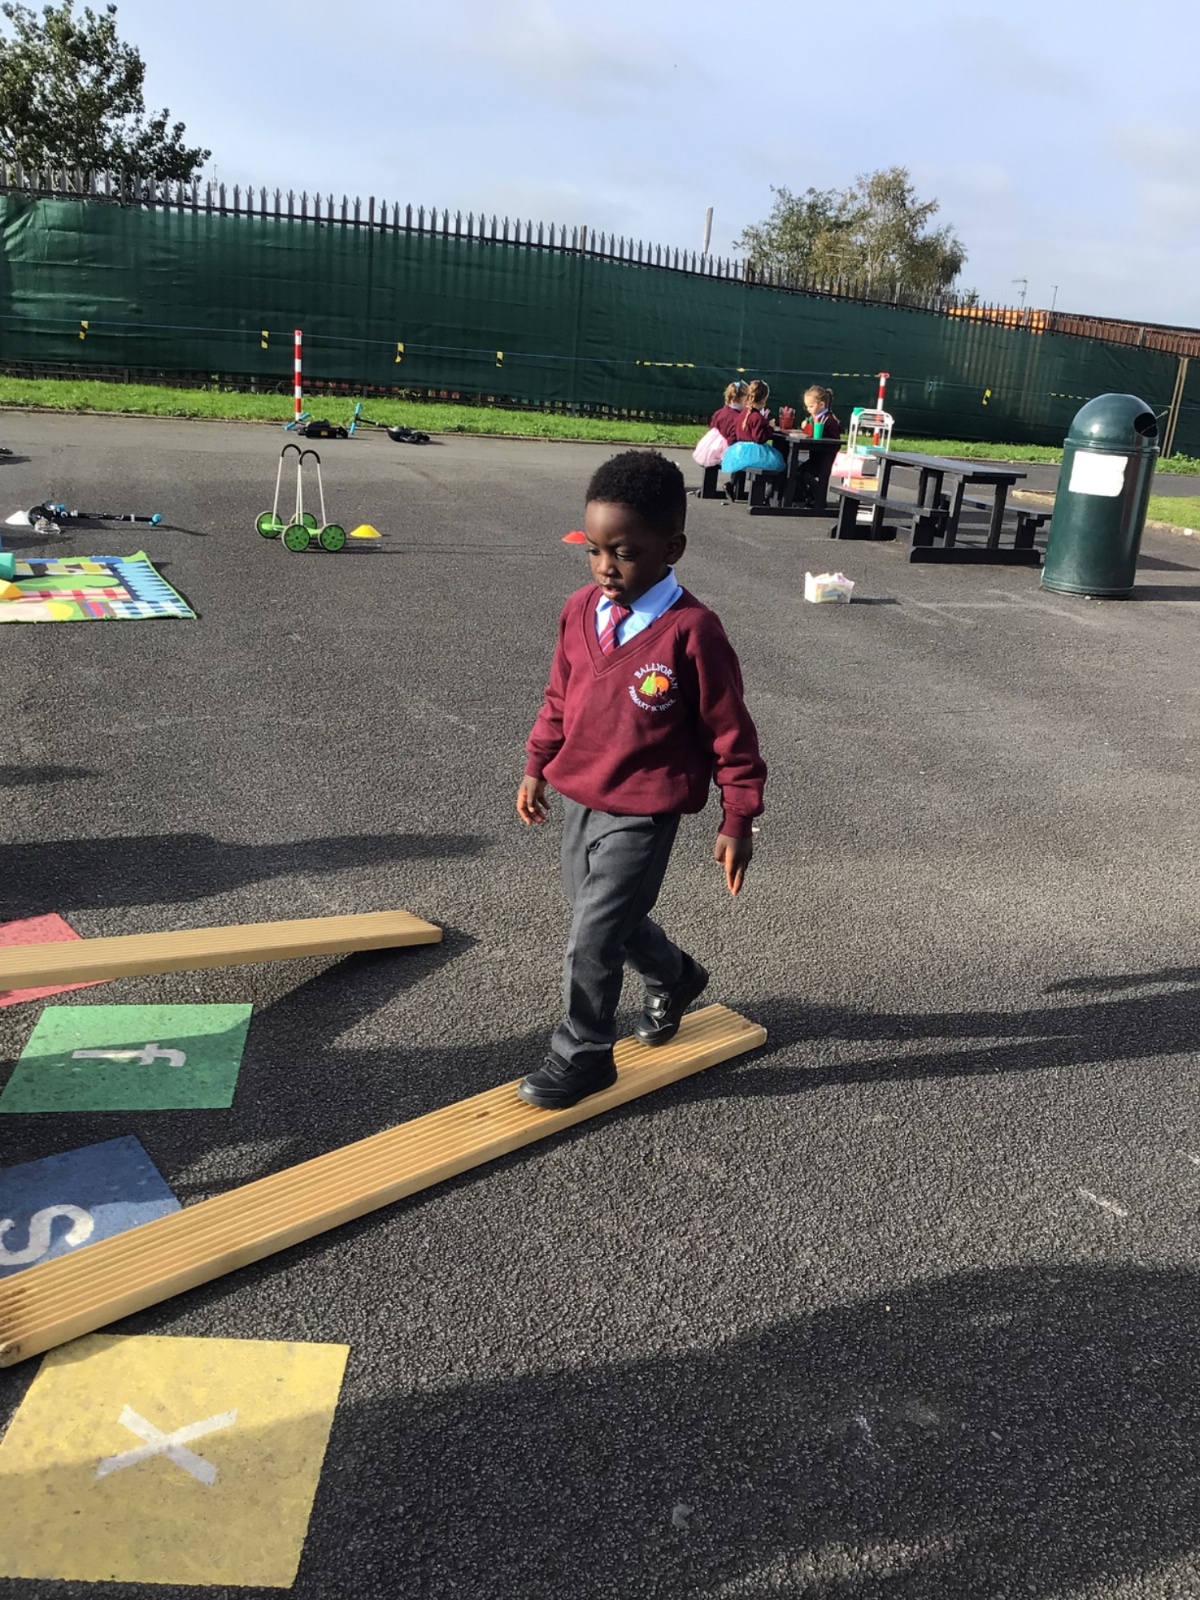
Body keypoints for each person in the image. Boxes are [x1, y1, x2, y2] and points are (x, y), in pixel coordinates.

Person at [515, 450, 767, 1110]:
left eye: (624, 553)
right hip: (581, 796)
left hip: (645, 811)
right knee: (606, 921)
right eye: (594, 550)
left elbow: (730, 734)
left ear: (670, 548)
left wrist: (738, 817)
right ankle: (676, 976)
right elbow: (559, 698)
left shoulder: (693, 632)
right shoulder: (580, 609)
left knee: (592, 938)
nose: (605, 567)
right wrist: (537, 764)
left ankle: (585, 1054)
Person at [725, 379, 786, 503]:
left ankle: (731, 484)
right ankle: (766, 496)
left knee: (740, 464)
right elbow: (759, 438)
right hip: (756, 453)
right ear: (763, 399)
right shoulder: (757, 417)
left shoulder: (743, 414)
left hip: (740, 450)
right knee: (779, 468)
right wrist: (770, 427)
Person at [793, 384, 843, 506]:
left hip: (825, 457)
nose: (808, 409)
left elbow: (836, 441)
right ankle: (809, 496)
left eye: (811, 406)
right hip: (815, 456)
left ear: (821, 405)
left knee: (806, 474)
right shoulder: (815, 418)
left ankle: (819, 496)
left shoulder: (829, 419)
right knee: (797, 472)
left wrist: (821, 438)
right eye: (807, 406)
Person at [710, 380, 747, 444]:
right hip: (732, 448)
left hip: (715, 447)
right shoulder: (740, 418)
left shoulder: (718, 413)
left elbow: (712, 434)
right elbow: (734, 439)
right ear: (743, 398)